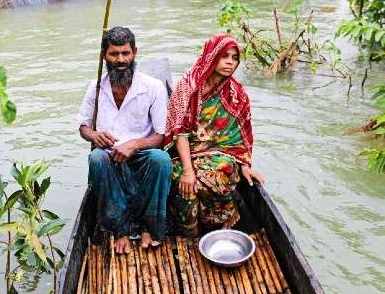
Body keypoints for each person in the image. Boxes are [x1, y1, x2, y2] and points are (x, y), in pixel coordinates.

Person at [78, 26, 172, 254]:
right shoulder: (96, 87)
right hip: (109, 154)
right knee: (96, 158)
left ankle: (150, 227)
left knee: (162, 160)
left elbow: (160, 136)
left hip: (142, 153)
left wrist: (134, 144)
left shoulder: (153, 87)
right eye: (114, 54)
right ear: (104, 56)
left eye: (125, 53)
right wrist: (94, 135)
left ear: (134, 53)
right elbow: (83, 127)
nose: (121, 60)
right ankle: (120, 230)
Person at [164, 33, 265, 237]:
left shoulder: (237, 94)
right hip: (184, 154)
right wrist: (187, 171)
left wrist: (245, 166)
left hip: (220, 154)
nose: (230, 62)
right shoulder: (188, 85)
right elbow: (179, 131)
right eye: (224, 55)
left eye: (234, 58)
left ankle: (221, 218)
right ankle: (191, 232)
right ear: (211, 55)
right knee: (180, 179)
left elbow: (242, 135)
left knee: (224, 171)